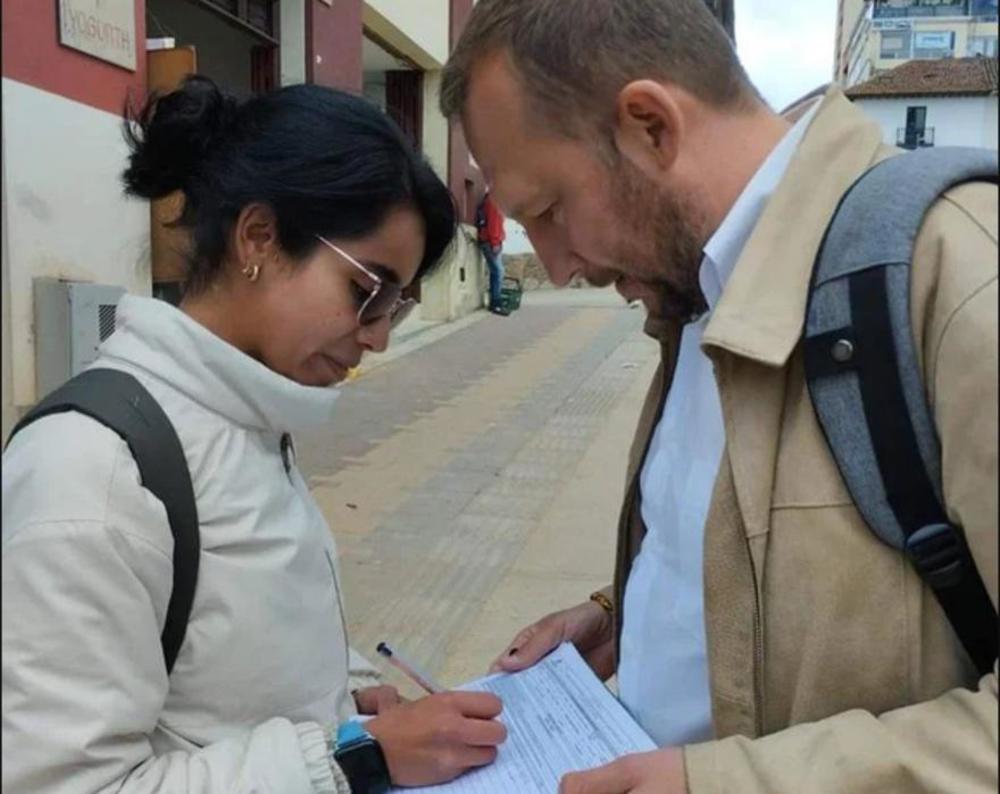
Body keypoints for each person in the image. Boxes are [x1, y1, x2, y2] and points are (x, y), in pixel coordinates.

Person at [439, 1, 998, 792]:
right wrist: (626, 616)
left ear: (649, 126)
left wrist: (719, 783)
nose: (558, 268)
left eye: (551, 210)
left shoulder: (957, 274)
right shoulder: (698, 289)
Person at [1, 76, 507, 794]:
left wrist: (344, 695)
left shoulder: (244, 419)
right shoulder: (94, 472)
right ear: (259, 237)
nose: (378, 337)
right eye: (368, 292)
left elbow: (224, 662)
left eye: (396, 306)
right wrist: (351, 760)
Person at [476, 189, 508, 314]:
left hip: (489, 240)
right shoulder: (494, 202)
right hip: (491, 242)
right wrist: (495, 242)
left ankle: (494, 302)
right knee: (499, 272)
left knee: (495, 272)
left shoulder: (491, 200)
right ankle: (496, 303)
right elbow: (494, 224)